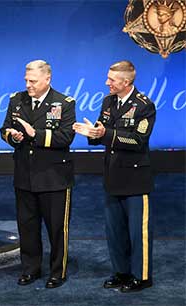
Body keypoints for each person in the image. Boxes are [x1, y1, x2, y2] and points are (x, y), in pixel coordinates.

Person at [73, 60, 156, 292]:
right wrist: (93, 134)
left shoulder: (144, 106)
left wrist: (105, 133)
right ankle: (121, 272)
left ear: (126, 81)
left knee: (138, 233)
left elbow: (137, 141)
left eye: (111, 79)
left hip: (136, 180)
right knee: (115, 231)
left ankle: (142, 276)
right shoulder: (108, 101)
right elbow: (104, 132)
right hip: (112, 176)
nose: (106, 82)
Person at [0, 60, 75, 289]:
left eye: (33, 81)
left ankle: (57, 272)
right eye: (26, 80)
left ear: (47, 80)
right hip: (24, 175)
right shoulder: (17, 100)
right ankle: (30, 269)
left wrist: (35, 134)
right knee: (27, 227)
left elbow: (65, 138)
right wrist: (13, 136)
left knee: (56, 230)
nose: (28, 85)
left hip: (53, 178)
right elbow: (4, 130)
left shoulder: (63, 103)